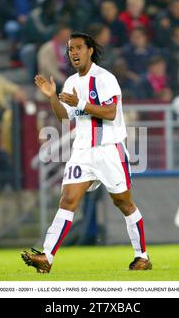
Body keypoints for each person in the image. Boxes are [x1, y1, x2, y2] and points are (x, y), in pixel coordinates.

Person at [22, 32, 152, 273]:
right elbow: (64, 118)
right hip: (82, 150)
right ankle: (47, 257)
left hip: (109, 149)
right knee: (68, 200)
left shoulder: (105, 79)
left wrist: (80, 103)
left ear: (90, 50)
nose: (73, 52)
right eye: (70, 49)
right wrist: (53, 98)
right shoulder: (71, 83)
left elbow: (111, 112)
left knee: (123, 203)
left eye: (78, 48)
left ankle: (142, 256)